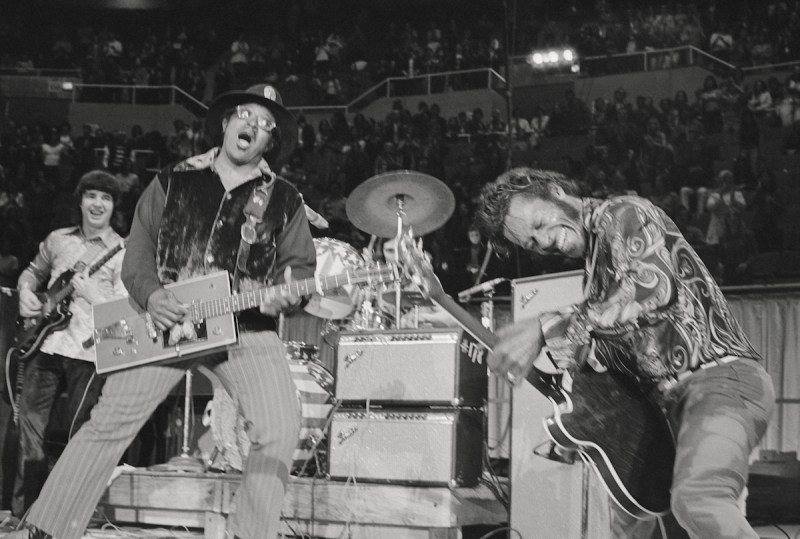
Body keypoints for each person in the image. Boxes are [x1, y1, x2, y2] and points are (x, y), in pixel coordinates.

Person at [11, 84, 316, 539]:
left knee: (281, 428)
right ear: (228, 122)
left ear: (270, 142)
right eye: (245, 115)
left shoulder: (285, 199)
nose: (253, 126)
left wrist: (290, 293)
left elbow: (299, 268)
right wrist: (152, 296)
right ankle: (47, 527)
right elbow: (137, 254)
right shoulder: (173, 178)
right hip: (166, 321)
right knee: (109, 422)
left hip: (246, 325)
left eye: (265, 124)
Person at [475, 167, 775, 539]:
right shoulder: (596, 270)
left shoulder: (624, 212)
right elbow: (615, 353)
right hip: (666, 410)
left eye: (539, 222)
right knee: (631, 522)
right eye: (532, 243)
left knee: (699, 500)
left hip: (719, 380)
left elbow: (652, 290)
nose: (543, 240)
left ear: (556, 192)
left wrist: (545, 325)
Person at [13, 170, 127, 518]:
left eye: (105, 198)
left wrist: (94, 295)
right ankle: (24, 512)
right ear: (80, 200)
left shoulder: (123, 251)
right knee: (29, 429)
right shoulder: (58, 239)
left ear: (113, 207)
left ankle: (65, 512)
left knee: (81, 435)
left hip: (89, 350)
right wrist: (25, 292)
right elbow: (32, 272)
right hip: (45, 344)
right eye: (91, 195)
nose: (97, 203)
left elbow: (125, 310)